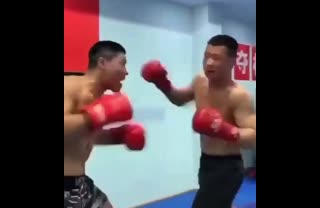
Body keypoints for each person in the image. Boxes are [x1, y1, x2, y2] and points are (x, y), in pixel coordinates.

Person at [141, 34, 256, 208]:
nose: (209, 62)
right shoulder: (200, 82)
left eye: (216, 58)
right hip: (207, 162)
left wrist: (224, 129)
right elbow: (179, 99)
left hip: (228, 167)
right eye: (206, 56)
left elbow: (253, 136)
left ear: (232, 62)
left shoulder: (239, 95)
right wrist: (162, 83)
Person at [64, 40, 146, 208]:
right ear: (102, 63)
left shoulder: (96, 99)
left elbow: (80, 137)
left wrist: (119, 136)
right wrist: (98, 114)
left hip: (80, 183)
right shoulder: (69, 86)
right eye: (122, 64)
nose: (126, 72)